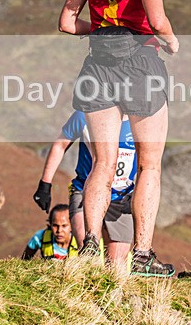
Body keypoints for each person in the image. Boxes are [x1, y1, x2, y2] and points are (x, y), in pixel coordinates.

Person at [58, 0, 179, 277]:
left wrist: (104, 29)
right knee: (149, 166)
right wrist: (172, 41)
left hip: (97, 66)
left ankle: (90, 244)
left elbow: (66, 21)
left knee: (103, 164)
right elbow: (157, 21)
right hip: (140, 66)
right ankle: (141, 255)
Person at [32, 110, 136, 271]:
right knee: (88, 254)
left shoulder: (141, 121)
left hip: (121, 197)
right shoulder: (85, 115)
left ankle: (110, 296)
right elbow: (60, 144)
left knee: (116, 267)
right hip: (84, 191)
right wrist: (45, 184)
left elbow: (149, 164)